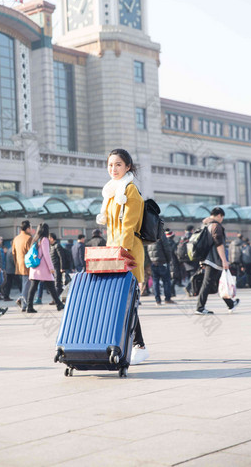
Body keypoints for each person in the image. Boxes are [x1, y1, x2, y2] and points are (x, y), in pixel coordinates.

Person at [96, 148, 149, 365]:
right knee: (119, 302)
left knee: (128, 303)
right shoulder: (110, 191)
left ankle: (139, 346)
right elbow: (111, 228)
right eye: (110, 165)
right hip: (114, 252)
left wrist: (122, 253)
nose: (113, 169)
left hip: (127, 253)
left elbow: (129, 225)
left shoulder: (130, 190)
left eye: (118, 164)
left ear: (128, 166)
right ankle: (129, 345)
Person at [195, 207, 240, 315]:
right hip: (214, 260)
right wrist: (224, 260)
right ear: (219, 215)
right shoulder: (216, 226)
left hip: (207, 258)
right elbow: (219, 244)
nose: (222, 220)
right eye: (222, 217)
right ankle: (200, 308)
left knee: (218, 281)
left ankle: (230, 303)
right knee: (207, 283)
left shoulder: (205, 224)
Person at [26, 223, 64, 313]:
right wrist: (51, 268)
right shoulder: (45, 240)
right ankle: (59, 304)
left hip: (35, 267)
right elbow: (47, 255)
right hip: (43, 268)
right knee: (51, 286)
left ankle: (29, 306)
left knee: (34, 287)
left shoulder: (36, 239)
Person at [147, 231, 175, 305]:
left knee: (155, 282)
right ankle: (167, 299)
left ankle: (157, 300)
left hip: (153, 262)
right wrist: (168, 260)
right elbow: (167, 249)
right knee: (166, 281)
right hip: (162, 262)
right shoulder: (161, 235)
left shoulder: (149, 235)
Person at [12, 220, 32, 312]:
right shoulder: (28, 238)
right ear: (27, 228)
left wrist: (16, 263)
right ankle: (23, 302)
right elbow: (31, 252)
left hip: (19, 264)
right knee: (27, 284)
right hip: (27, 265)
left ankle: (23, 300)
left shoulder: (16, 238)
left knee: (25, 283)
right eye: (30, 227)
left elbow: (13, 253)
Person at [165, 229, 182, 298]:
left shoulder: (165, 242)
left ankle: (172, 292)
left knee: (171, 277)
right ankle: (171, 292)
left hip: (167, 262)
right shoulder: (173, 243)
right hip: (173, 262)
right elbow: (176, 253)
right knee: (174, 277)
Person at [49, 233, 66, 299]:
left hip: (57, 267)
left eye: (49, 238)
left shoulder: (57, 246)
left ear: (52, 238)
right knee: (55, 284)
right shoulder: (51, 246)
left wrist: (62, 267)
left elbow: (62, 257)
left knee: (57, 283)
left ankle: (56, 299)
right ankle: (58, 297)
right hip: (53, 268)